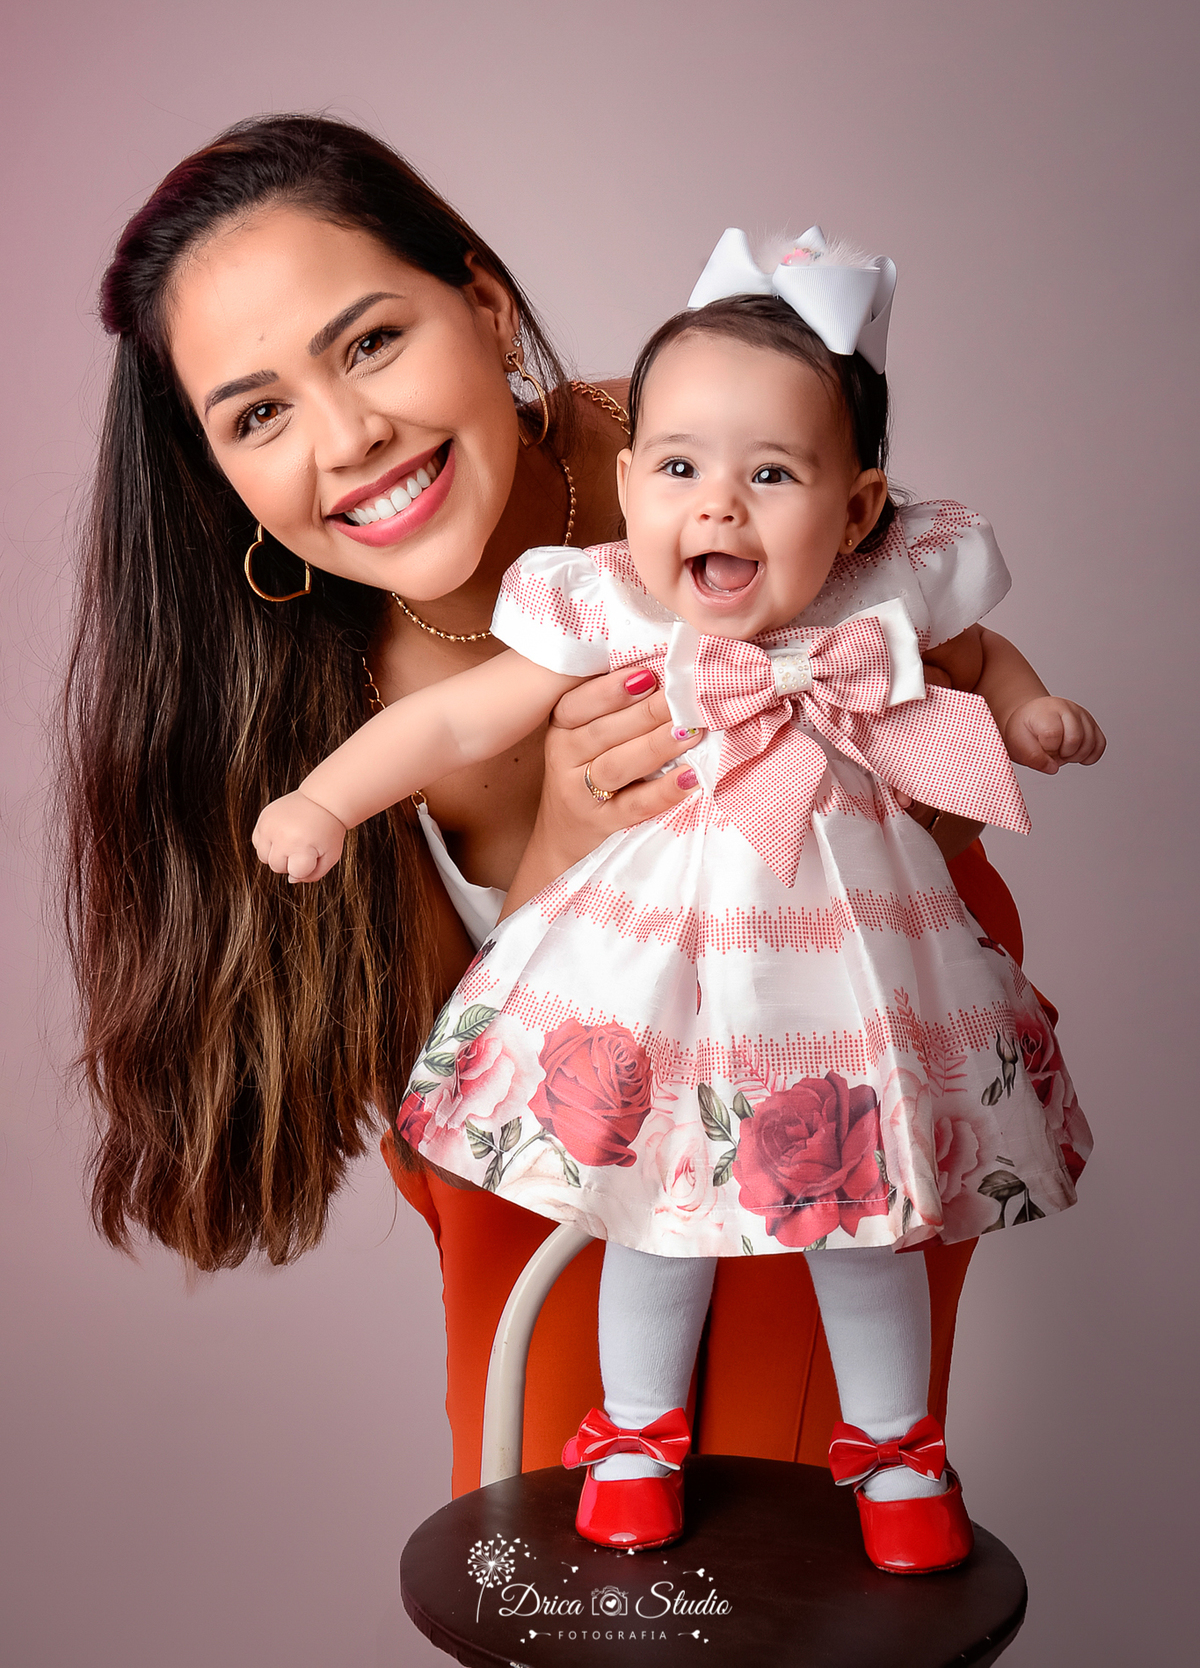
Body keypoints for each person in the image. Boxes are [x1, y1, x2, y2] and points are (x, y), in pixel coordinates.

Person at [253, 226, 1102, 1570]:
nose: (717, 506)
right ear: (633, 474)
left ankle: (897, 1458)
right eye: (680, 467)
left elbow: (978, 646)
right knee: (654, 1214)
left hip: (850, 979)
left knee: (863, 1226)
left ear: (860, 510)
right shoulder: (614, 610)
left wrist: (1029, 706)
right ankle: (637, 1435)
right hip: (666, 976)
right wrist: (325, 800)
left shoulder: (876, 595)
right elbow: (462, 723)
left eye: (771, 474)